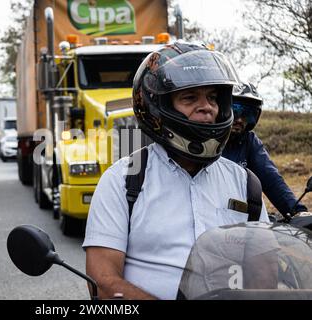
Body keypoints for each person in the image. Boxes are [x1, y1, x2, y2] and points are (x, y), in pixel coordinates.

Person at [82, 41, 270, 300]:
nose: (207, 107)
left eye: (213, 97)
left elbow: (266, 274)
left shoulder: (246, 184)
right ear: (159, 107)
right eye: (190, 97)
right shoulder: (122, 182)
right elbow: (102, 281)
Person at [222, 83, 308, 216]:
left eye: (248, 114)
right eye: (235, 111)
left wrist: (297, 212)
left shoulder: (249, 141)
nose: (239, 119)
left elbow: (271, 179)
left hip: (235, 217)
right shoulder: (207, 138)